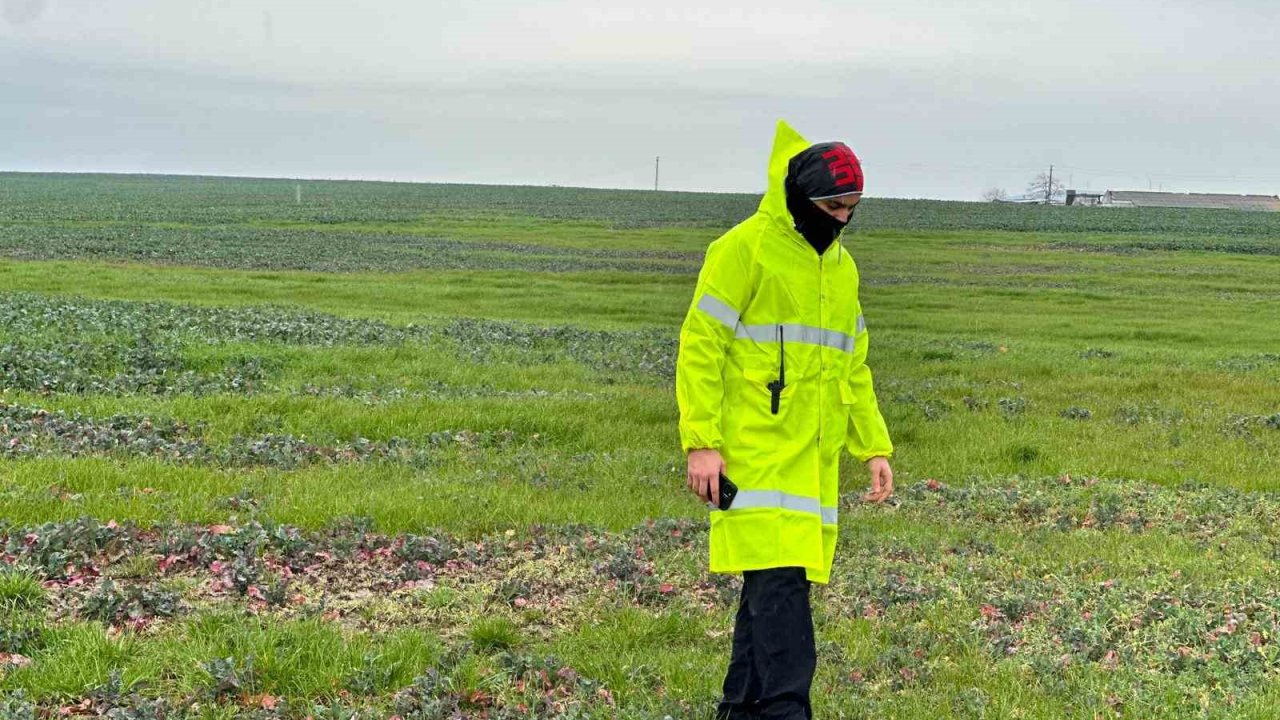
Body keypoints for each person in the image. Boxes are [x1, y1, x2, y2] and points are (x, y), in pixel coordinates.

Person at [675, 120, 895, 719]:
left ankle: (736, 711)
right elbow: (700, 344)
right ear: (801, 197)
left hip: (810, 469)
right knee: (782, 606)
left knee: (766, 599)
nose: (843, 219)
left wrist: (873, 446)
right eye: (833, 206)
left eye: (853, 208)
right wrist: (702, 443)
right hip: (750, 461)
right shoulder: (742, 249)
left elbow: (854, 365)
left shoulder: (842, 270)